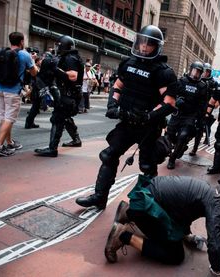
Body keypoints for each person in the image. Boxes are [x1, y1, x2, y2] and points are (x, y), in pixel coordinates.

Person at [75, 25, 177, 210]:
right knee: (109, 155)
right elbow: (117, 86)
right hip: (127, 123)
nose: (144, 47)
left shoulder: (163, 72)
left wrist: (148, 116)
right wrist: (112, 105)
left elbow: (168, 103)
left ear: (157, 46)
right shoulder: (128, 64)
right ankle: (99, 197)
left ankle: (148, 207)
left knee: (147, 166)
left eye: (149, 44)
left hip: (148, 129)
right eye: (142, 42)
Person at [104, 175, 220, 276]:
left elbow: (180, 211)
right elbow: (215, 241)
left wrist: (187, 236)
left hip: (146, 195)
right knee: (175, 255)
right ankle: (123, 235)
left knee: (173, 234)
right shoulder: (215, 206)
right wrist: (218, 268)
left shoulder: (207, 190)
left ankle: (127, 212)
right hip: (145, 207)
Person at [34, 35, 84, 157]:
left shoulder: (70, 58)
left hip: (68, 95)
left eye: (59, 45)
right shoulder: (72, 57)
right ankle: (76, 140)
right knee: (65, 117)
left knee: (57, 119)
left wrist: (55, 69)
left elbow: (73, 76)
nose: (57, 48)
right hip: (71, 95)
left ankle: (52, 149)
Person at [0, 32, 38, 156]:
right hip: (12, 90)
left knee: (4, 117)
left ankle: (9, 142)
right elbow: (34, 73)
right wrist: (32, 61)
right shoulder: (24, 54)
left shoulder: (0, 52)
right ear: (21, 41)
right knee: (9, 118)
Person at [166, 61, 207, 169]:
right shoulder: (181, 81)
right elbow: (171, 95)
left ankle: (172, 158)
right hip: (178, 113)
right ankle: (181, 146)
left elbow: (203, 105)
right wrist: (177, 101)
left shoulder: (202, 86)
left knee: (183, 135)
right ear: (190, 69)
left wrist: (200, 120)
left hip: (190, 116)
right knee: (169, 135)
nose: (196, 73)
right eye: (194, 70)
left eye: (199, 72)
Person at [189, 62, 217, 155]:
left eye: (207, 71)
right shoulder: (196, 80)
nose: (205, 73)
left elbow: (215, 98)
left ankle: (195, 148)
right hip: (195, 106)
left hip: (206, 108)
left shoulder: (213, 83)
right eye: (204, 71)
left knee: (201, 127)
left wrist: (210, 109)